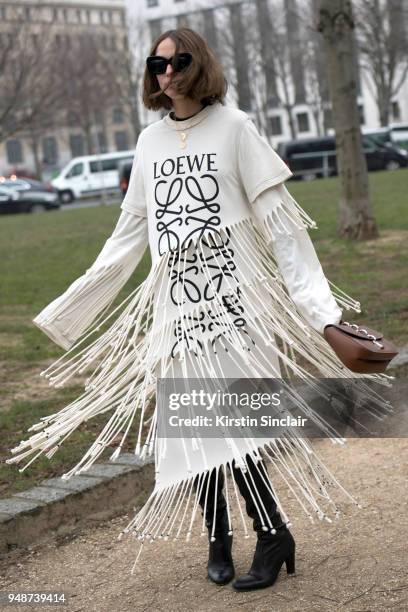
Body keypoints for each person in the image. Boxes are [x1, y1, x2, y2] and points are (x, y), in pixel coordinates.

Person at [8, 27, 390, 592]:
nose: (167, 72)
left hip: (236, 310)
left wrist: (321, 313)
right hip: (177, 315)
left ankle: (271, 533)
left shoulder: (236, 129)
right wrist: (72, 309)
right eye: (156, 64)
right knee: (191, 430)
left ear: (199, 64)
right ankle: (218, 539)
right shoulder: (147, 143)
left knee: (237, 430)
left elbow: (284, 232)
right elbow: (127, 236)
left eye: (178, 60)